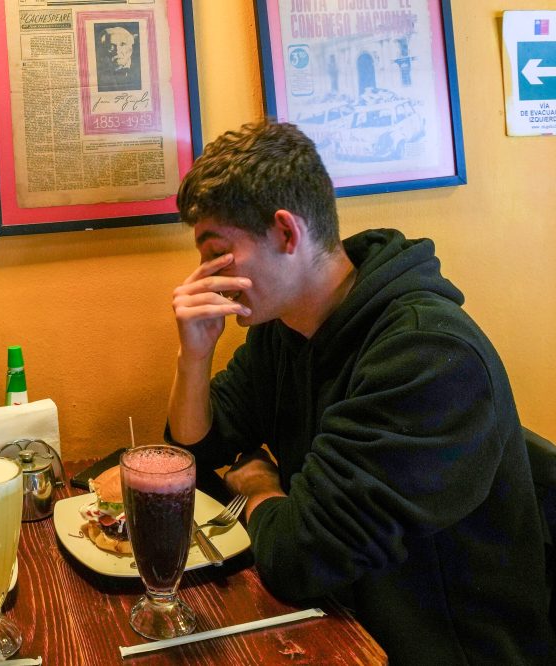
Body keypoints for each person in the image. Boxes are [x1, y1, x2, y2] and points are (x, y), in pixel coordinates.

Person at [166, 120, 555, 663]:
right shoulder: (285, 329)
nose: (206, 276)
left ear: (286, 233)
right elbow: (194, 450)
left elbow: (300, 558)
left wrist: (256, 485)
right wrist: (194, 356)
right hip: (346, 616)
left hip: (442, 646)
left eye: (216, 254)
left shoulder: (425, 355)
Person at [96, 25, 141, 92]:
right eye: (111, 46)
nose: (117, 51)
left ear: (131, 49)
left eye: (123, 44)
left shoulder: (141, 70)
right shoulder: (99, 75)